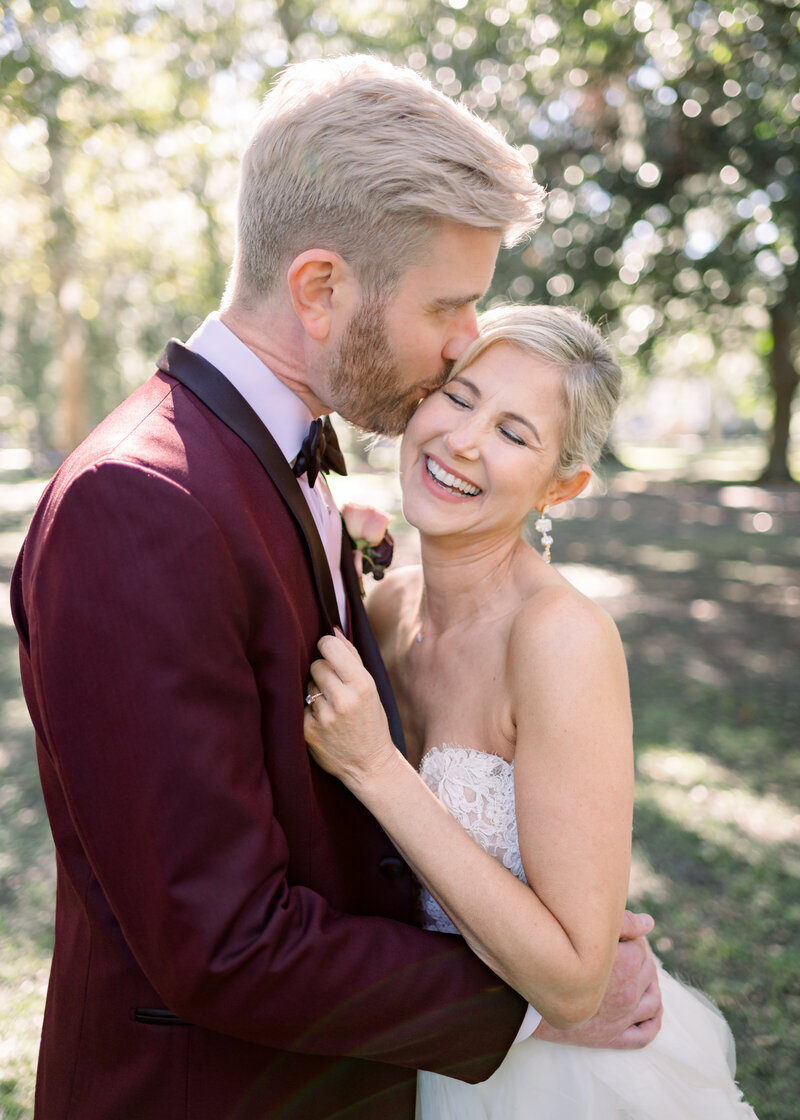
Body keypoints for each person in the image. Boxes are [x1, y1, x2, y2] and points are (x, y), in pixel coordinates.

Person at [11, 57, 660, 1120]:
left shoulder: (289, 455)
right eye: (449, 307)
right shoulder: (140, 504)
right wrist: (529, 1002)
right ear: (320, 289)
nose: (466, 343)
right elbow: (219, 944)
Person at [304, 304, 759, 1119]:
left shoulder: (561, 641)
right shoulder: (385, 608)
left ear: (563, 485)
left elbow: (578, 982)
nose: (465, 440)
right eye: (460, 396)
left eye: (515, 434)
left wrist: (378, 770)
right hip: (423, 1049)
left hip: (562, 1085)